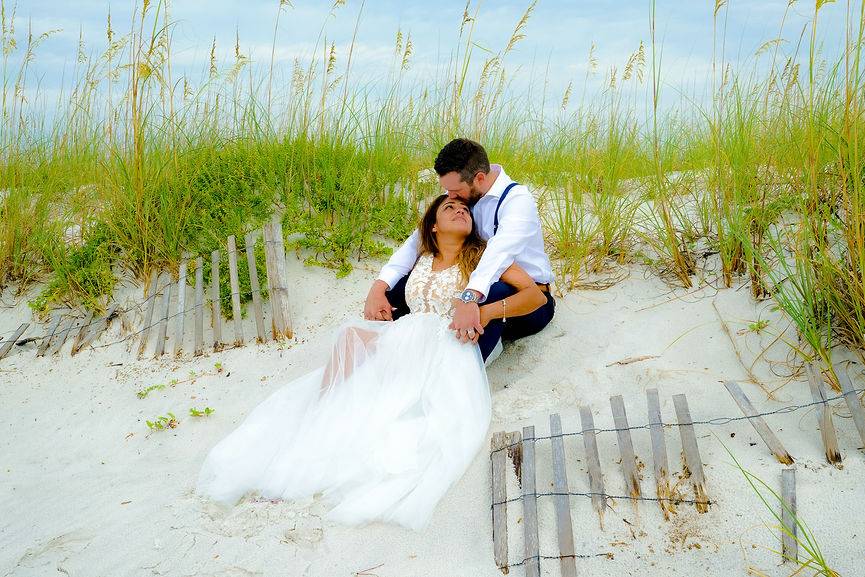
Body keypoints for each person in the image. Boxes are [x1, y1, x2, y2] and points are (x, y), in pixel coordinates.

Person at [196, 196, 546, 531]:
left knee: (396, 416)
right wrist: (378, 296)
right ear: (434, 227)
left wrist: (484, 311)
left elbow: (534, 296)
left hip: (449, 343)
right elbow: (392, 276)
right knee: (350, 336)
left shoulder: (484, 256)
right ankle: (322, 414)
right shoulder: (422, 257)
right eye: (449, 207)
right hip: (408, 334)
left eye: (464, 208)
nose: (460, 211)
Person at [364, 138, 555, 363]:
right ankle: (390, 354)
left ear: (479, 179)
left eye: (455, 190)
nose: (451, 196)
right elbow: (413, 244)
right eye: (447, 190)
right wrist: (378, 288)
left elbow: (498, 255)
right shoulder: (465, 196)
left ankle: (462, 369)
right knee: (400, 290)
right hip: (475, 281)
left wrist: (469, 298)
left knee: (488, 295)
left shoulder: (516, 201)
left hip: (523, 298)